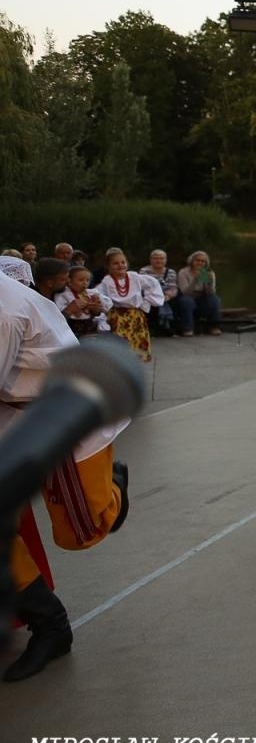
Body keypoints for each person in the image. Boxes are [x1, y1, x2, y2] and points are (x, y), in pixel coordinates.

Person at [1, 272, 131, 681]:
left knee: (82, 533)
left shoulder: (4, 312)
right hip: (16, 417)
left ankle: (114, 485)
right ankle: (50, 625)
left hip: (64, 414)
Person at [91, 247, 163, 362]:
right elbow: (97, 293)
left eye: (123, 262)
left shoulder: (134, 277)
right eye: (115, 263)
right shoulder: (107, 281)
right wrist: (100, 302)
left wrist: (146, 301)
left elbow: (153, 284)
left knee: (136, 343)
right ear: (108, 266)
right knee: (119, 345)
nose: (120, 265)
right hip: (117, 318)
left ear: (127, 264)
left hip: (135, 317)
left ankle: (135, 366)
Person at [175, 250, 223, 335]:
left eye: (203, 261)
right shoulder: (184, 272)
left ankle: (214, 326)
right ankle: (187, 329)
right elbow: (185, 292)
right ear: (192, 261)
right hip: (188, 297)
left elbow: (210, 293)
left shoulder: (206, 272)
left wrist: (210, 282)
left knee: (215, 299)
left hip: (202, 298)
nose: (200, 263)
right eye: (198, 260)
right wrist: (195, 280)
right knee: (186, 301)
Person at [57, 265, 107, 336]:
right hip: (72, 327)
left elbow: (99, 311)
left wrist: (96, 310)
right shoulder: (63, 295)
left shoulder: (90, 293)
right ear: (69, 281)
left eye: (87, 280)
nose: (85, 283)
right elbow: (59, 314)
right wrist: (71, 310)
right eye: (81, 280)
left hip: (89, 326)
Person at [139, 250, 180, 336]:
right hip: (150, 295)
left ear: (166, 260)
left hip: (166, 295)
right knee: (149, 303)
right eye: (156, 258)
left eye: (161, 258)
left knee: (176, 302)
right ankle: (151, 328)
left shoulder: (171, 272)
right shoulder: (144, 271)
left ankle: (168, 327)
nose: (159, 261)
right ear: (151, 260)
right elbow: (142, 287)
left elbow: (173, 288)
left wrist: (168, 296)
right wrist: (156, 297)